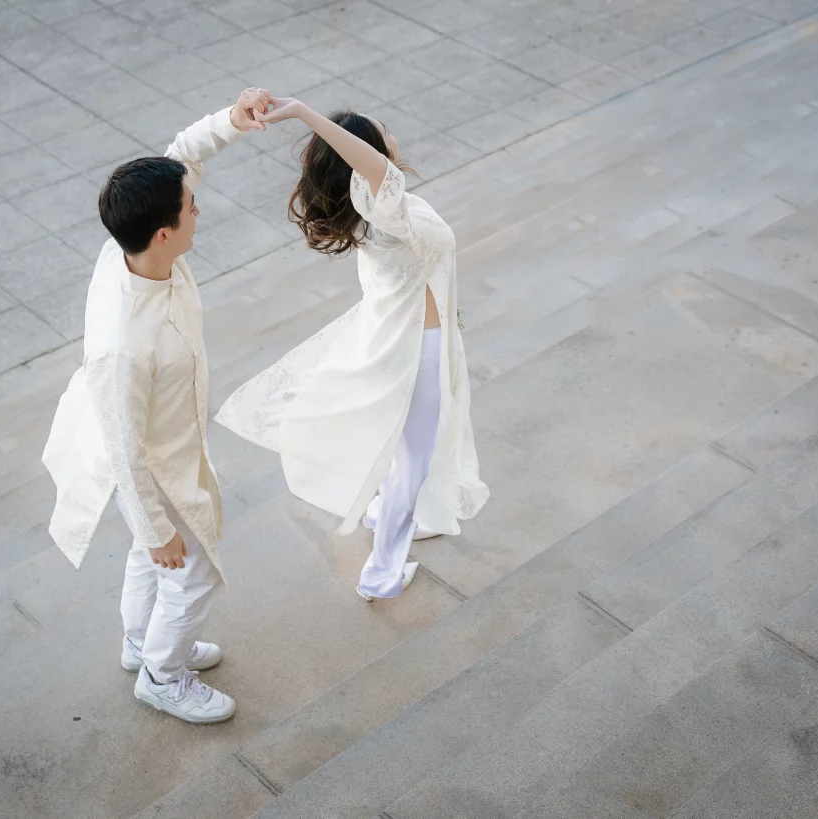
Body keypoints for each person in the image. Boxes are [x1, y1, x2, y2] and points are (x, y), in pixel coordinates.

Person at [42, 88, 271, 723]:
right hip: (155, 463)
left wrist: (232, 118)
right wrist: (154, 526)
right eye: (193, 208)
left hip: (175, 441)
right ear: (166, 232)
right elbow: (123, 445)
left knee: (161, 560)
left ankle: (142, 642)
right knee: (193, 570)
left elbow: (181, 156)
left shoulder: (138, 243)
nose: (203, 210)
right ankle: (162, 677)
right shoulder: (124, 343)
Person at [216, 98, 489, 601]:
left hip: (397, 339)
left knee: (402, 446)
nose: (391, 135)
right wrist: (303, 114)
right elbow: (373, 165)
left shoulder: (366, 198)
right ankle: (381, 574)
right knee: (413, 463)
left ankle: (381, 511)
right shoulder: (382, 200)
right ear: (370, 150)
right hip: (414, 351)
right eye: (382, 133)